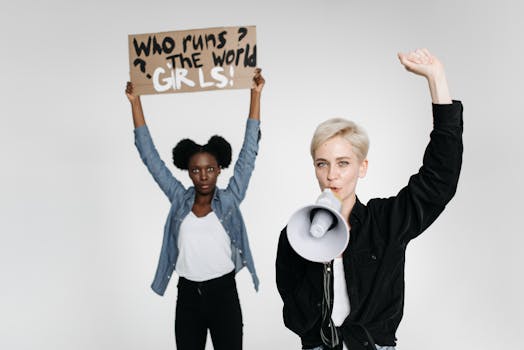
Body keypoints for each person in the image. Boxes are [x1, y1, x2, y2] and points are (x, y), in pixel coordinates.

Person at [276, 49, 463, 350]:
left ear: (362, 167)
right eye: (322, 163)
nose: (331, 175)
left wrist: (437, 79)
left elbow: (439, 181)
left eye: (343, 163)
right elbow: (294, 315)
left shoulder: (386, 221)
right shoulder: (294, 236)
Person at [125, 68, 265, 350]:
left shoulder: (229, 199)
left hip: (223, 294)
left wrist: (255, 94)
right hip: (187, 295)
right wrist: (135, 102)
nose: (203, 176)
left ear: (219, 169)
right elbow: (150, 157)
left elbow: (248, 153)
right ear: (188, 171)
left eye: (210, 169)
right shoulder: (178, 200)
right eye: (196, 170)